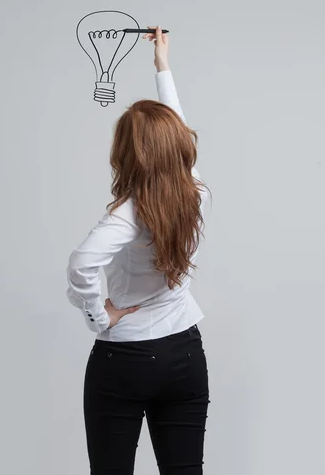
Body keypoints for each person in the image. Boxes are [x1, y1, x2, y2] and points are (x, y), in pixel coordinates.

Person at [66, 26, 210, 475]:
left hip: (125, 358)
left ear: (127, 153)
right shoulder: (196, 192)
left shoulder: (126, 215)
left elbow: (82, 264)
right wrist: (162, 66)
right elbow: (178, 128)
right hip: (185, 352)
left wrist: (96, 314)